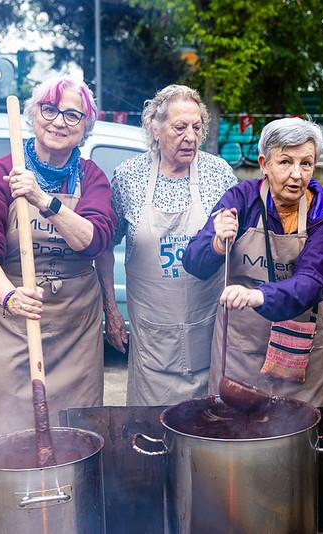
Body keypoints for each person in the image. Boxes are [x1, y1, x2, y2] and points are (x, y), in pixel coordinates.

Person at [0, 75, 116, 532]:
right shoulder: (0, 172)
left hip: (72, 325)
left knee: (72, 427)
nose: (59, 121)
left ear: (86, 127)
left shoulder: (92, 179)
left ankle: (70, 517)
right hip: (7, 316)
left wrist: (44, 201)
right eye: (49, 109)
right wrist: (8, 294)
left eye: (73, 114)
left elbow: (94, 239)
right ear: (33, 115)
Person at [97, 84, 238, 406]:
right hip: (152, 339)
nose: (190, 136)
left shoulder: (219, 174)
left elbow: (240, 246)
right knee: (151, 430)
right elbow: (105, 246)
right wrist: (111, 311)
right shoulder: (129, 176)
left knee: (207, 428)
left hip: (209, 329)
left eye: (196, 127)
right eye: (179, 127)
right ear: (155, 129)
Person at [183, 117, 323, 406]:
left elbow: (312, 282)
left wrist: (257, 295)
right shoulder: (241, 199)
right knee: (235, 439)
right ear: (264, 163)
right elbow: (194, 262)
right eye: (285, 162)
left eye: (306, 163)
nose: (296, 174)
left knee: (300, 441)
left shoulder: (322, 213)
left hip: (302, 355)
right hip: (241, 355)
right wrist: (217, 243)